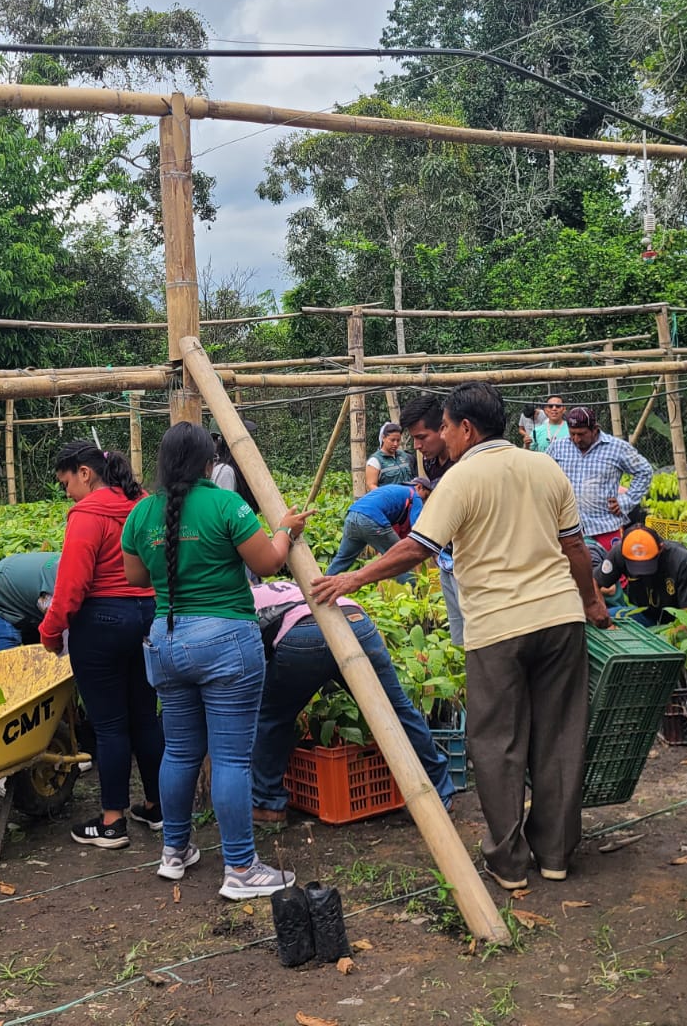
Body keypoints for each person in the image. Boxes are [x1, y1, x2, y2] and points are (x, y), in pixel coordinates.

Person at [314, 381, 611, 890]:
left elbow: (417, 548)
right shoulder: (545, 467)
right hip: (560, 619)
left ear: (467, 429)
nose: (442, 437)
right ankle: (556, 855)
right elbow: (575, 548)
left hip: (498, 627)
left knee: (497, 741)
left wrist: (352, 579)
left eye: (447, 427)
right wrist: (590, 601)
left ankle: (509, 863)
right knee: (559, 735)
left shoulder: (460, 478)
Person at [121, 421, 311, 900]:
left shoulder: (141, 513)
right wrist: (285, 531)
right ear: (210, 462)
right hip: (226, 642)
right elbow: (268, 563)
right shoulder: (227, 505)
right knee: (230, 758)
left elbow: (137, 579)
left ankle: (174, 851)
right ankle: (241, 868)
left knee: (179, 751)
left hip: (167, 643)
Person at [37, 441, 163, 850]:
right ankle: (156, 807)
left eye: (67, 483)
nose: (67, 493)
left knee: (109, 725)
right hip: (148, 616)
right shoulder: (143, 503)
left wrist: (50, 633)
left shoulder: (87, 515)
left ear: (85, 473)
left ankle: (112, 822)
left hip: (102, 623)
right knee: (145, 716)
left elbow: (70, 587)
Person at [248, 580, 454, 822]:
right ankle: (439, 792)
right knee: (397, 710)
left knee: (271, 718)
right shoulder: (280, 586)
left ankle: (268, 803)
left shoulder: (235, 602)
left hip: (304, 634)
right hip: (355, 621)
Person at [400, 394, 465, 647]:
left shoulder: (463, 462)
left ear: (443, 428)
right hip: (446, 555)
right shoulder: (430, 461)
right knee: (458, 635)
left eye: (422, 437)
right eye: (414, 438)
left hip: (468, 559)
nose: (417, 446)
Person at [547, 406, 653, 552]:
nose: (576, 439)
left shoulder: (616, 448)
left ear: (595, 429)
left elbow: (644, 471)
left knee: (608, 565)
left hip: (605, 527)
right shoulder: (558, 447)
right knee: (571, 566)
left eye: (581, 434)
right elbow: (543, 473)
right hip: (568, 529)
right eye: (572, 434)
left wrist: (625, 501)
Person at [595, 524, 687, 630]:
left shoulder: (682, 560)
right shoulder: (621, 552)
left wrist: (671, 634)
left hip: (674, 621)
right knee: (600, 618)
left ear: (661, 548)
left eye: (646, 565)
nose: (642, 573)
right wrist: (603, 617)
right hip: (644, 614)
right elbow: (594, 582)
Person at [324, 479, 428, 583]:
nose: (425, 501)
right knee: (400, 558)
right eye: (426, 496)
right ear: (419, 487)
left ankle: (321, 587)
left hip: (352, 516)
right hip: (370, 519)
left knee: (343, 559)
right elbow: (417, 526)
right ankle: (411, 590)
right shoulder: (415, 496)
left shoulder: (395, 489)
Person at [0, 552, 60, 650]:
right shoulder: (57, 594)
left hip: (22, 597)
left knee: (42, 654)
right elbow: (56, 626)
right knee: (8, 657)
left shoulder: (66, 564)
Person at [365, 422, 415, 488]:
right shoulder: (374, 461)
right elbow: (371, 485)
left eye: (398, 440)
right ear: (383, 438)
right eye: (392, 440)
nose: (395, 444)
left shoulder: (404, 456)